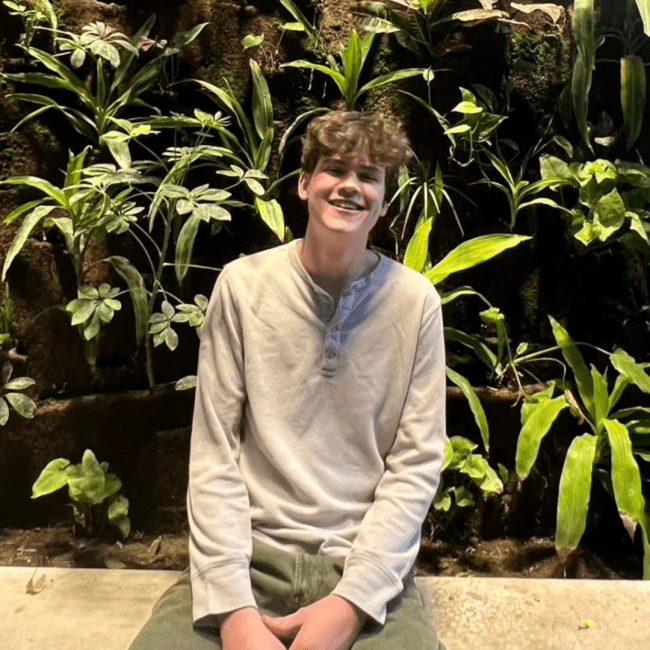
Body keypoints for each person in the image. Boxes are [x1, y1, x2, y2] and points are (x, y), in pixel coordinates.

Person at [128, 110, 447, 650]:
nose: (350, 185)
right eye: (335, 169)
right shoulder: (243, 287)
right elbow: (214, 454)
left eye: (369, 176)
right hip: (246, 558)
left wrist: (350, 605)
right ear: (304, 184)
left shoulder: (416, 303)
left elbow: (415, 467)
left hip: (361, 566)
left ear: (384, 200)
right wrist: (233, 612)